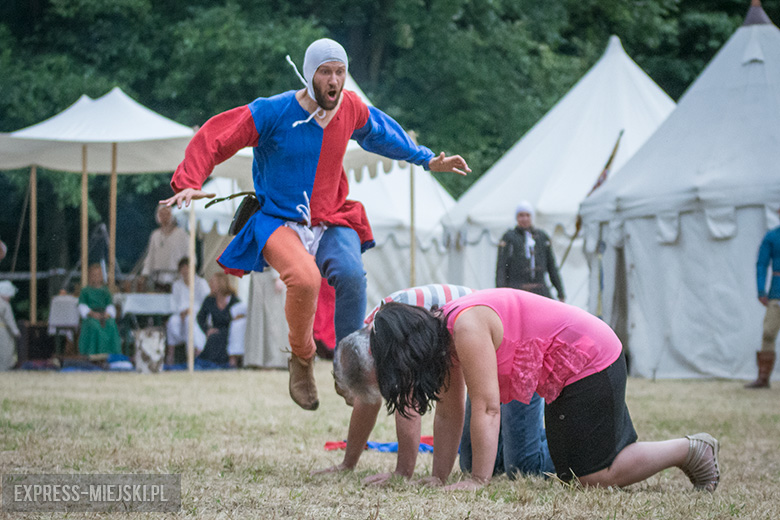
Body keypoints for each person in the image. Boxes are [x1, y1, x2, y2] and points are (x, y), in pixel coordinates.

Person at [161, 38, 469, 410]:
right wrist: (190, 180)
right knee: (305, 279)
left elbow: (383, 134)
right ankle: (302, 358)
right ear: (309, 74)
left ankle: (349, 364)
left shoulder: (350, 108)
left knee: (351, 275)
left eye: (340, 72)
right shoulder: (273, 111)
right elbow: (217, 135)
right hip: (279, 219)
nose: (334, 80)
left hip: (331, 216)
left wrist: (426, 159)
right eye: (325, 72)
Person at [369, 289, 720, 492]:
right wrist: (438, 477)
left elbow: (488, 408)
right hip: (571, 370)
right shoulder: (445, 334)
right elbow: (449, 413)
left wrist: (478, 480)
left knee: (593, 476)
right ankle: (677, 450)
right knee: (572, 474)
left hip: (590, 360)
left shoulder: (465, 326)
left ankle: (690, 450)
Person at [314, 284, 554, 484]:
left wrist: (403, 474)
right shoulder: (375, 335)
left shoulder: (402, 333)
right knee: (472, 461)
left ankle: (567, 443)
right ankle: (531, 437)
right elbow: (367, 402)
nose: (388, 390)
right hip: (485, 356)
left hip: (517, 348)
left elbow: (437, 407)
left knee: (523, 465)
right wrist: (348, 463)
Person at [496, 201, 564, 301]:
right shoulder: (509, 238)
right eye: (521, 215)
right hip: (517, 289)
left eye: (527, 215)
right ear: (517, 217)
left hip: (540, 290)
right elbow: (501, 268)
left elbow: (552, 267)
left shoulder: (541, 237)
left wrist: (560, 292)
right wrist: (500, 294)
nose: (524, 219)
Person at [165, 257, 210, 365]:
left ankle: (193, 354)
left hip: (198, 315)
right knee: (172, 322)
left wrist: (191, 310)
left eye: (187, 268)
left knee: (189, 321)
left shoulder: (201, 283)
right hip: (180, 314)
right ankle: (170, 354)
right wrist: (181, 312)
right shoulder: (177, 285)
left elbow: (206, 303)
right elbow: (174, 303)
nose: (185, 271)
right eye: (182, 268)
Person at [140, 205, 190, 292]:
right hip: (158, 279)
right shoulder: (155, 235)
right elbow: (150, 257)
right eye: (161, 214)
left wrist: (188, 273)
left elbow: (189, 255)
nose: (164, 217)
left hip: (177, 278)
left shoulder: (182, 235)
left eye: (167, 214)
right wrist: (145, 274)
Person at [196, 272, 241, 366]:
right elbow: (200, 317)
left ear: (221, 284)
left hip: (230, 332)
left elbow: (239, 320)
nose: (210, 285)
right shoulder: (209, 300)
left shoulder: (234, 301)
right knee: (213, 338)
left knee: (220, 338)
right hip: (215, 331)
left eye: (213, 282)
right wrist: (207, 330)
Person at [78, 264, 122, 356]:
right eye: (94, 275)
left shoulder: (105, 291)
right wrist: (92, 313)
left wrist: (107, 314)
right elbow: (82, 306)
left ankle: (112, 354)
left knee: (111, 325)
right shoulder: (85, 291)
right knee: (95, 327)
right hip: (91, 317)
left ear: (102, 276)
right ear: (90, 276)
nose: (96, 277)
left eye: (98, 275)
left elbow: (110, 305)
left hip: (104, 315)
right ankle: (94, 354)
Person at [0, 280, 20, 370]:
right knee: (5, 350)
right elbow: (9, 319)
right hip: (3, 331)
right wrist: (16, 331)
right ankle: (3, 369)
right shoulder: (5, 304)